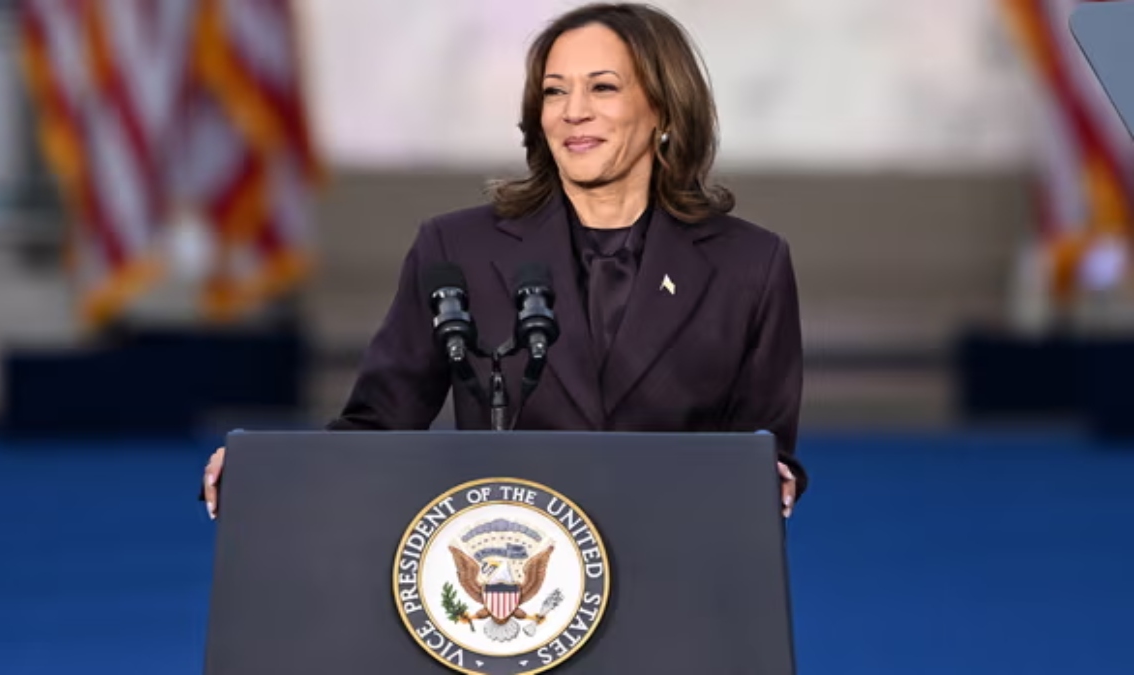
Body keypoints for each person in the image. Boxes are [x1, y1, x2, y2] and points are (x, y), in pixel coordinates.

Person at [203, 2, 805, 519]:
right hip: (513, 581)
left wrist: (775, 476)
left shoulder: (749, 264)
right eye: (554, 91)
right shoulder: (458, 249)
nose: (573, 111)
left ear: (666, 111)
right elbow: (379, 424)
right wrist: (271, 470)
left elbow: (761, 448)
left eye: (602, 87)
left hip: (680, 573)